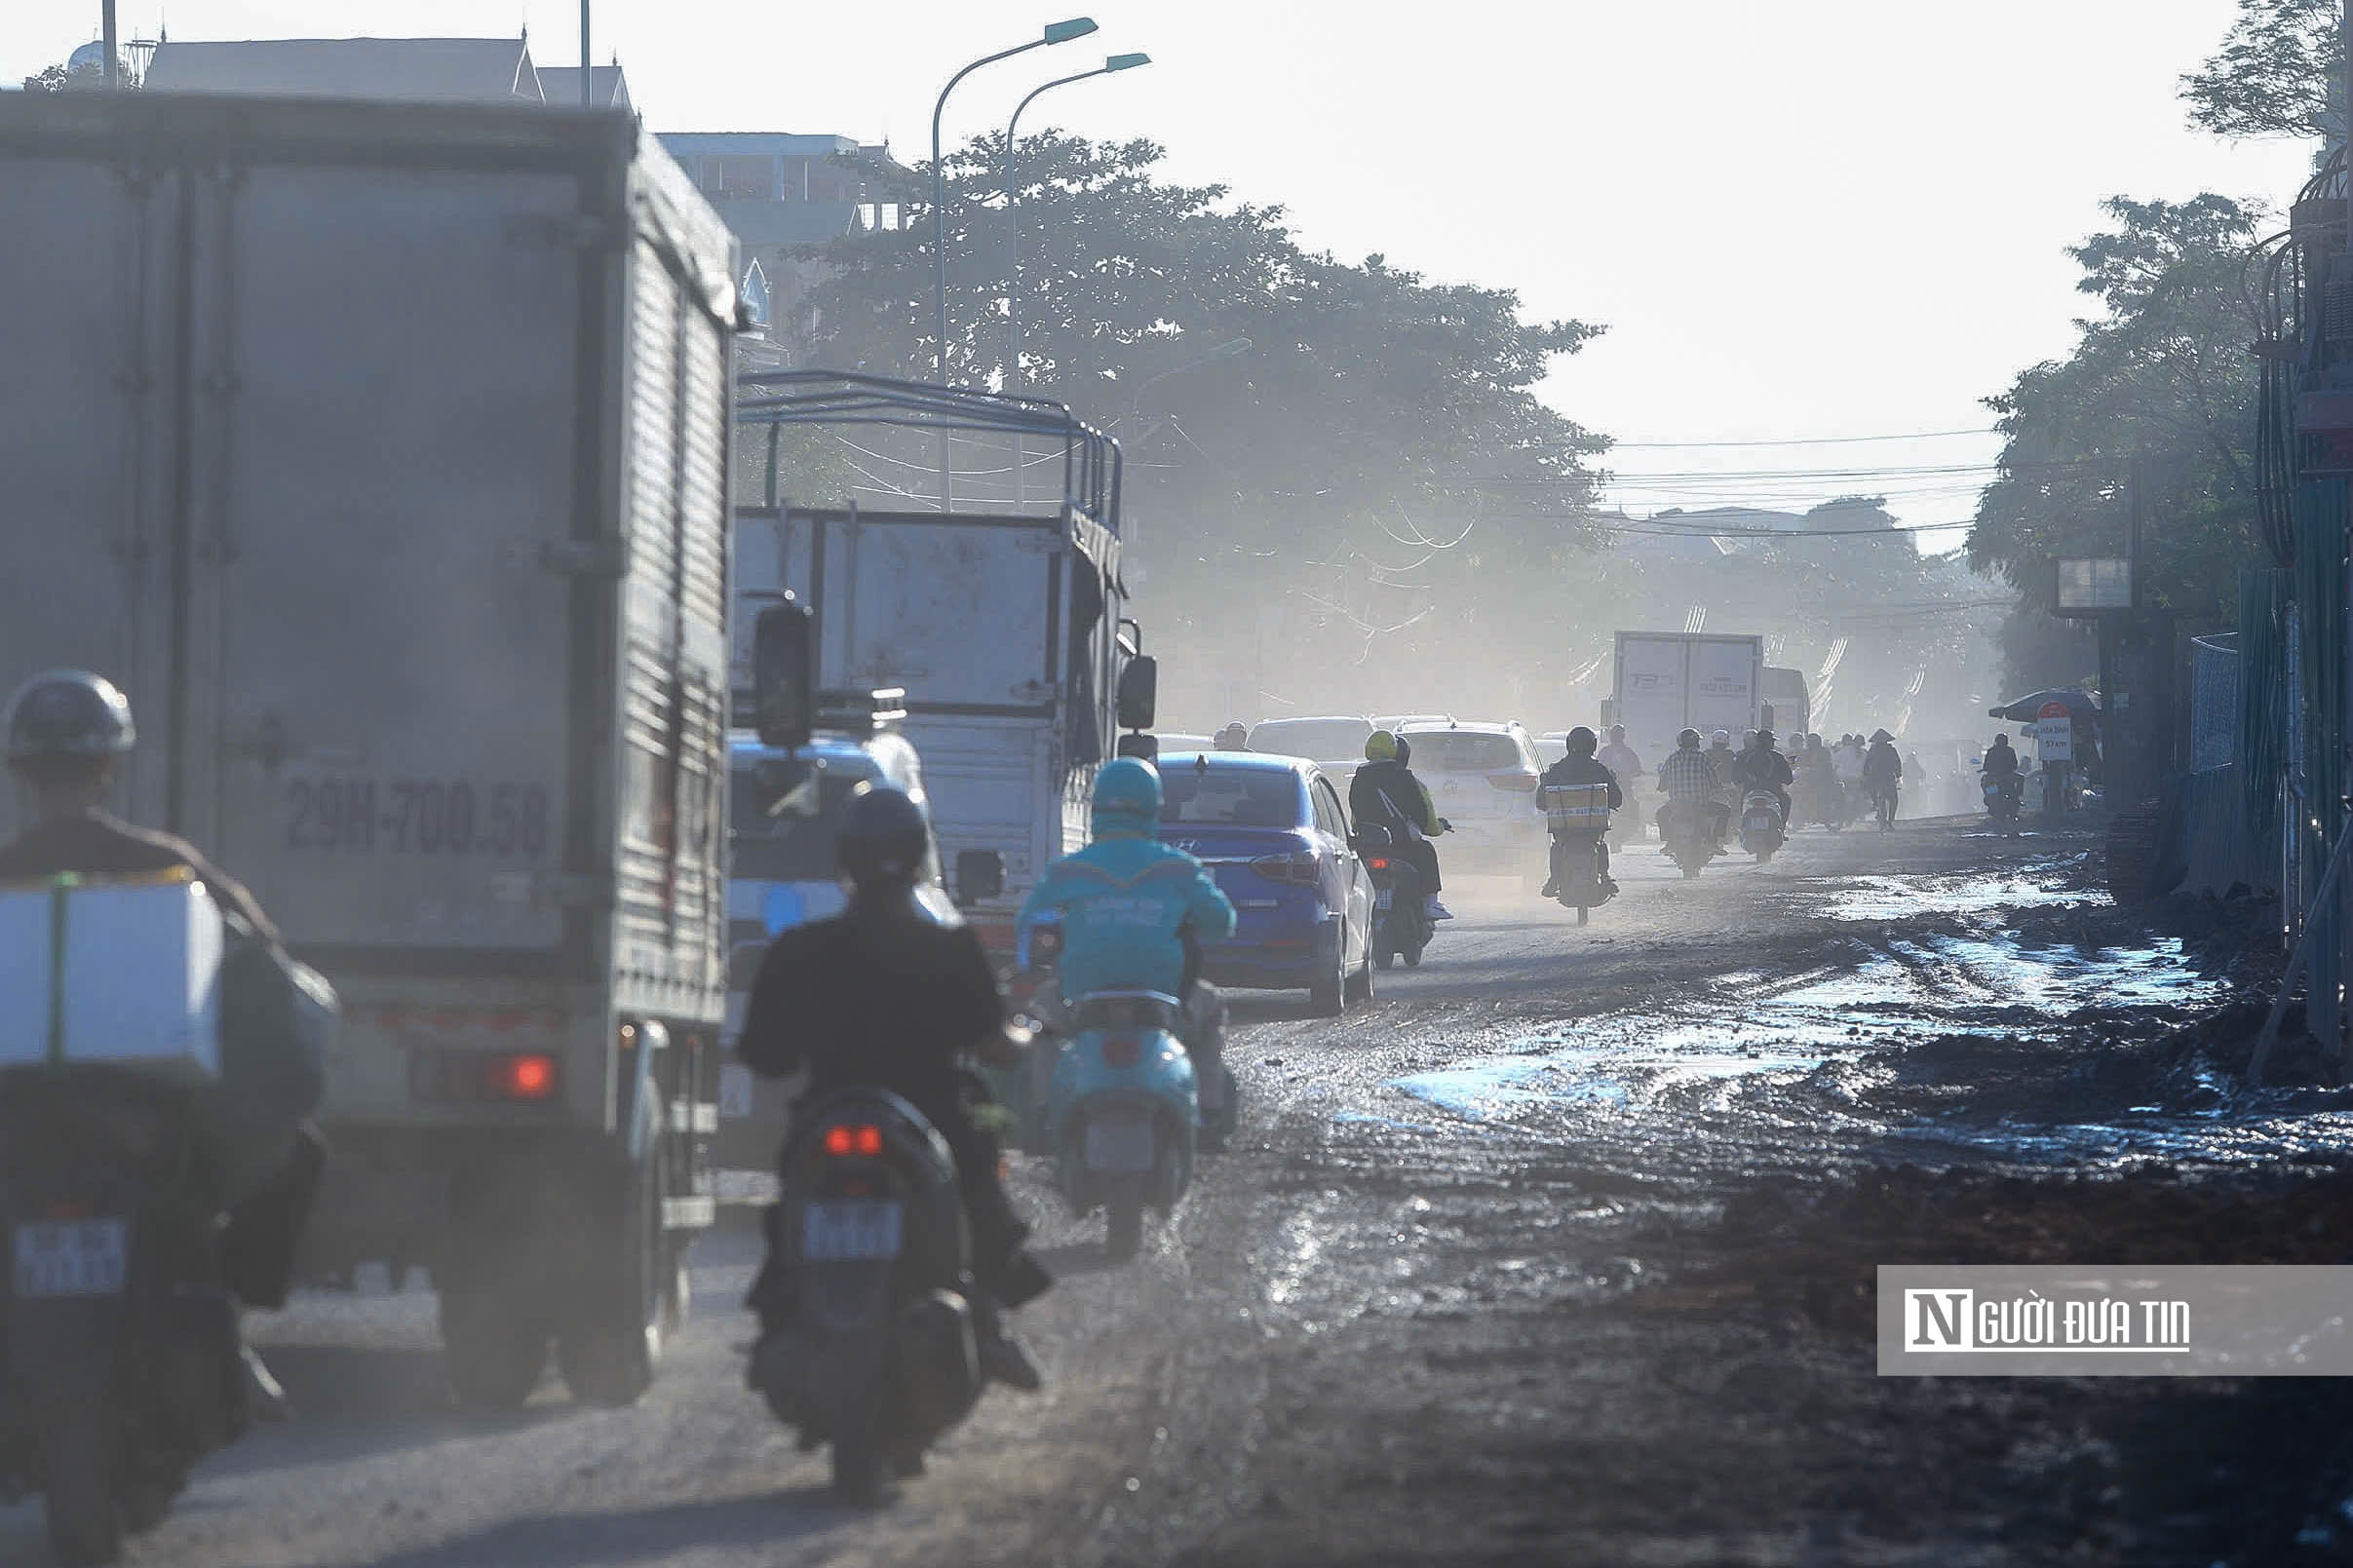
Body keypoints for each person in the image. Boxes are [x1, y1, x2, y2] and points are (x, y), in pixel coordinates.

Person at [0, 669, 325, 1423]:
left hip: (21, 1107)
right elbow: (263, 948)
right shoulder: (166, 862)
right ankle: (231, 1323)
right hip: (142, 1109)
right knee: (301, 1150)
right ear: (108, 766)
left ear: (21, 770)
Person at [739, 785, 1052, 1390]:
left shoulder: (802, 950)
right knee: (980, 1188)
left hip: (828, 1114)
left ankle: (780, 1317)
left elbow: (764, 1056)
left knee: (790, 1212)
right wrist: (1028, 1034)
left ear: (844, 860)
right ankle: (988, 1319)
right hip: (933, 1119)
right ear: (918, 859)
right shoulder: (949, 949)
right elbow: (994, 1046)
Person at [1020, 758, 1239, 1147]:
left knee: (1040, 1019)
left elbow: (1027, 927)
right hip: (1166, 1001)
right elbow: (1222, 923)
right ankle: (1208, 1112)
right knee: (1212, 1009)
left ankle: (1040, 1113)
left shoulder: (1068, 870)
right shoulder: (1178, 868)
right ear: (1154, 808)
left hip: (1080, 999)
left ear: (1096, 809)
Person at [1351, 731, 1452, 920]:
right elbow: (1426, 822)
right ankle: (1431, 904)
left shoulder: (1359, 778)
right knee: (1427, 851)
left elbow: (1355, 819)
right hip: (1404, 846)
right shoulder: (1406, 778)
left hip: (1368, 847)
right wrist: (1440, 827)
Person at [1537, 726, 1622, 898]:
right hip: (1593, 828)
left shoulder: (1556, 770)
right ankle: (1605, 877)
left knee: (1557, 847)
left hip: (1564, 829)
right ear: (1593, 745)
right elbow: (1617, 800)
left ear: (1569, 745)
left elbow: (1541, 803)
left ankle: (1553, 880)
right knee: (1601, 844)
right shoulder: (1599, 769)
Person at [1655, 728, 1729, 845]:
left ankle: (1669, 841)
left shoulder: (1672, 759)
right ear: (1695, 742)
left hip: (1677, 804)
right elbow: (1714, 781)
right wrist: (1717, 787)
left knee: (1660, 814)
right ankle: (1713, 841)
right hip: (1701, 804)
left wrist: (1663, 787)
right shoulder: (1703, 758)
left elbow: (1662, 785)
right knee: (1725, 810)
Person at [1731, 728, 1794, 824]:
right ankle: (1782, 825)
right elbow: (1788, 779)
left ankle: (1741, 826)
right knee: (1787, 800)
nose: (1773, 743)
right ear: (1769, 742)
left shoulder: (1743, 756)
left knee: (1739, 803)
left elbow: (1735, 779)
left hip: (1749, 792)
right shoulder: (1778, 757)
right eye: (1772, 741)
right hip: (1774, 792)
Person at [1863, 728, 1903, 822]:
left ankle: (1876, 805)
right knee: (1893, 800)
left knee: (1875, 794)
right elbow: (1897, 763)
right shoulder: (1891, 750)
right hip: (1887, 777)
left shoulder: (1873, 750)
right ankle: (1890, 819)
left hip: (1877, 778)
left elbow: (1867, 764)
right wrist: (1898, 774)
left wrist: (1865, 774)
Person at [1981, 732, 2024, 812]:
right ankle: (2017, 796)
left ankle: (2015, 797)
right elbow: (2014, 765)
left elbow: (1986, 766)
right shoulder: (2010, 750)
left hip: (1996, 776)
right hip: (2005, 776)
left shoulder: (1991, 751)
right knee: (2021, 778)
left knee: (1985, 782)